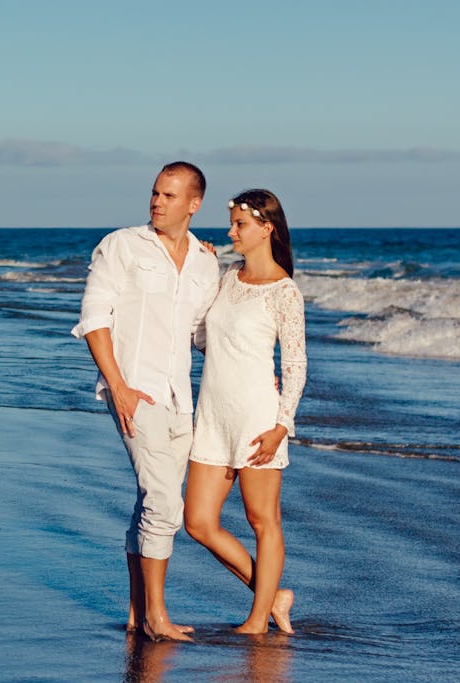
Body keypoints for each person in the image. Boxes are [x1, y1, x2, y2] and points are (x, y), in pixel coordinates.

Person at [72, 161, 220, 641]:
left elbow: (202, 335)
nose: (157, 202)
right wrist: (118, 386)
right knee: (163, 502)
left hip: (181, 398)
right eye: (155, 193)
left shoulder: (205, 261)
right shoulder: (121, 246)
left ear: (194, 204)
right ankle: (157, 615)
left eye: (170, 195)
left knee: (148, 503)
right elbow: (95, 317)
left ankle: (137, 613)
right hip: (135, 390)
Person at [184, 188, 306, 634]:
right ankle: (274, 597)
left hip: (258, 418)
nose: (231, 231)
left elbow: (295, 364)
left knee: (262, 520)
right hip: (212, 414)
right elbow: (201, 338)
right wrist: (202, 270)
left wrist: (281, 425)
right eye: (232, 223)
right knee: (197, 521)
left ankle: (258, 619)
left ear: (266, 228)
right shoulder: (227, 277)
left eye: (240, 224)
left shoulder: (285, 292)